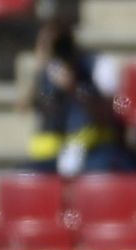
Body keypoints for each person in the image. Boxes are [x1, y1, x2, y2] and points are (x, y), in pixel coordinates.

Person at [19, 18, 134, 176]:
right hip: (55, 153)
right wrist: (39, 69)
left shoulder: (96, 66)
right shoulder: (46, 71)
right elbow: (22, 106)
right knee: (24, 176)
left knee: (101, 171)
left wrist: (74, 88)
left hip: (95, 149)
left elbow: (115, 109)